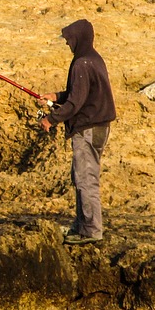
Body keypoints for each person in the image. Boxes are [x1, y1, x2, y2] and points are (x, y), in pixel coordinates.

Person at [40, 19, 117, 245]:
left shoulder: (82, 63)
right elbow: (80, 93)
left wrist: (50, 120)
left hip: (89, 129)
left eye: (69, 39)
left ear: (78, 38)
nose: (67, 44)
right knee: (83, 176)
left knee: (85, 178)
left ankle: (91, 230)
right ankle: (82, 225)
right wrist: (55, 97)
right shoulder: (94, 59)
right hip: (98, 127)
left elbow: (75, 103)